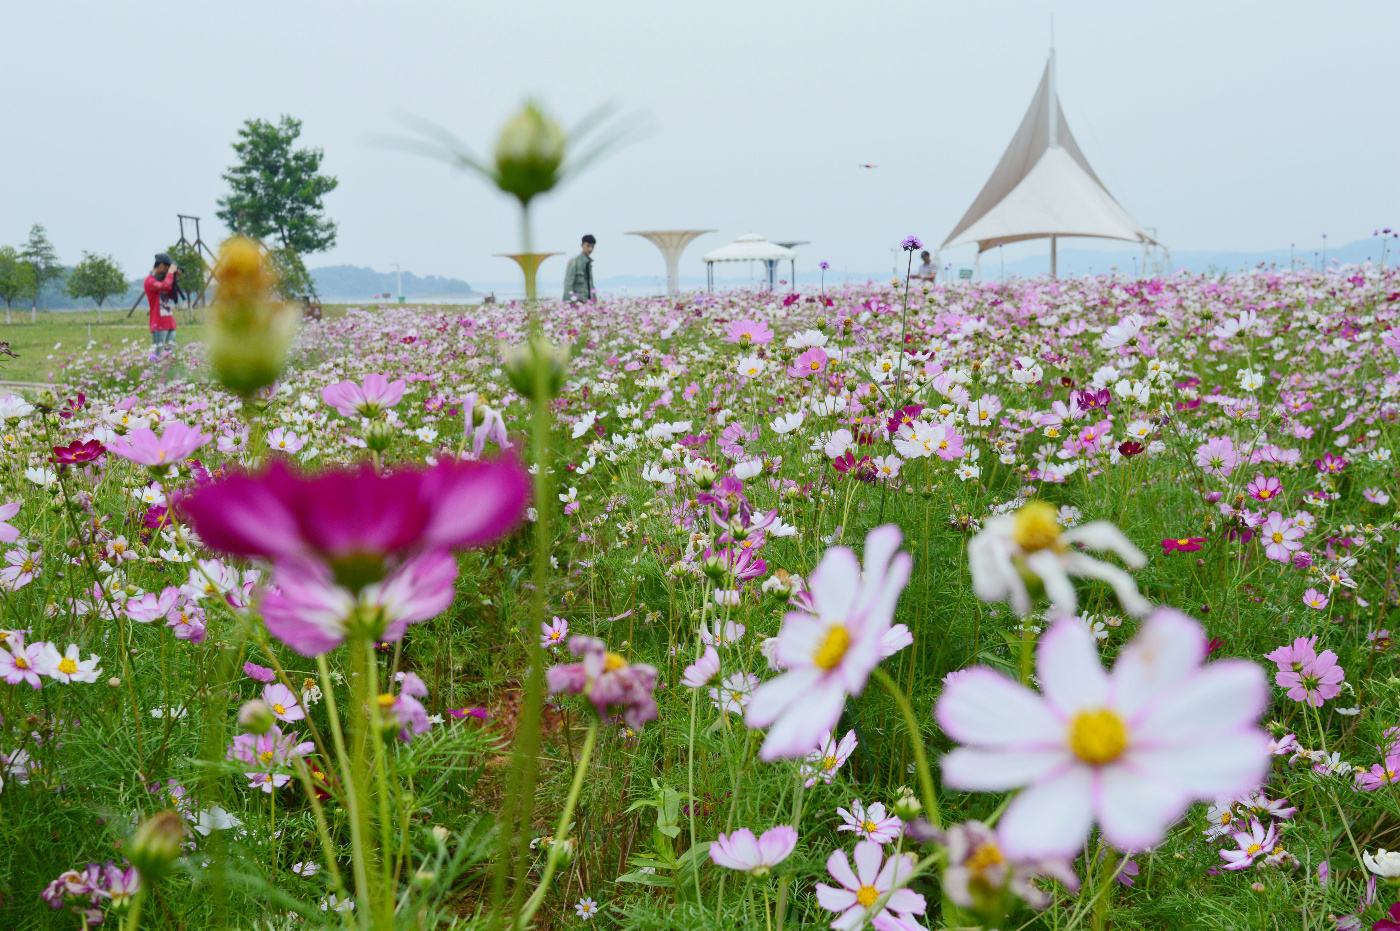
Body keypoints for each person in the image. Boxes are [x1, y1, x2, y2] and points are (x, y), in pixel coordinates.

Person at [145, 253, 180, 354]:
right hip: (158, 324)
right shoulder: (149, 281)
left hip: (170, 322)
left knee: (170, 356)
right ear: (161, 266)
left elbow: (172, 294)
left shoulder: (162, 280)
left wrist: (175, 278)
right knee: (157, 355)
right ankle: (153, 370)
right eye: (167, 268)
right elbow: (164, 286)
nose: (168, 270)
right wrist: (170, 274)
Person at [563, 234, 596, 302]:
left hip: (588, 303)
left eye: (592, 246)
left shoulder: (589, 263)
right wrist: (569, 303)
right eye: (588, 246)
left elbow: (591, 285)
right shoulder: (574, 262)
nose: (590, 249)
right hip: (577, 303)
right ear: (582, 245)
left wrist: (595, 300)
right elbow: (568, 285)